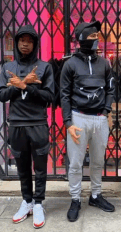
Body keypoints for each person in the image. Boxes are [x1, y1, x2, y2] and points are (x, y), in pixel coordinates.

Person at [60, 21, 115, 222]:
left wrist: (106, 111)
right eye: (92, 37)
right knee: (75, 163)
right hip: (78, 118)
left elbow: (111, 89)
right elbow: (64, 95)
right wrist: (68, 122)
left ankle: (95, 195)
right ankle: (75, 199)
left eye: (97, 37)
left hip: (99, 119)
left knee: (98, 161)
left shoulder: (105, 63)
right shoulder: (69, 64)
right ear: (81, 39)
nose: (96, 40)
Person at [0, 25, 54, 228]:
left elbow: (49, 97)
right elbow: (1, 95)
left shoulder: (45, 67)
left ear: (35, 44)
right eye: (21, 40)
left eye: (29, 41)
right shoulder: (7, 68)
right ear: (16, 43)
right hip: (16, 124)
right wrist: (21, 83)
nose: (25, 43)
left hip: (38, 123)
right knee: (22, 167)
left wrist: (25, 87)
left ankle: (38, 203)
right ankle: (27, 201)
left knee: (40, 168)